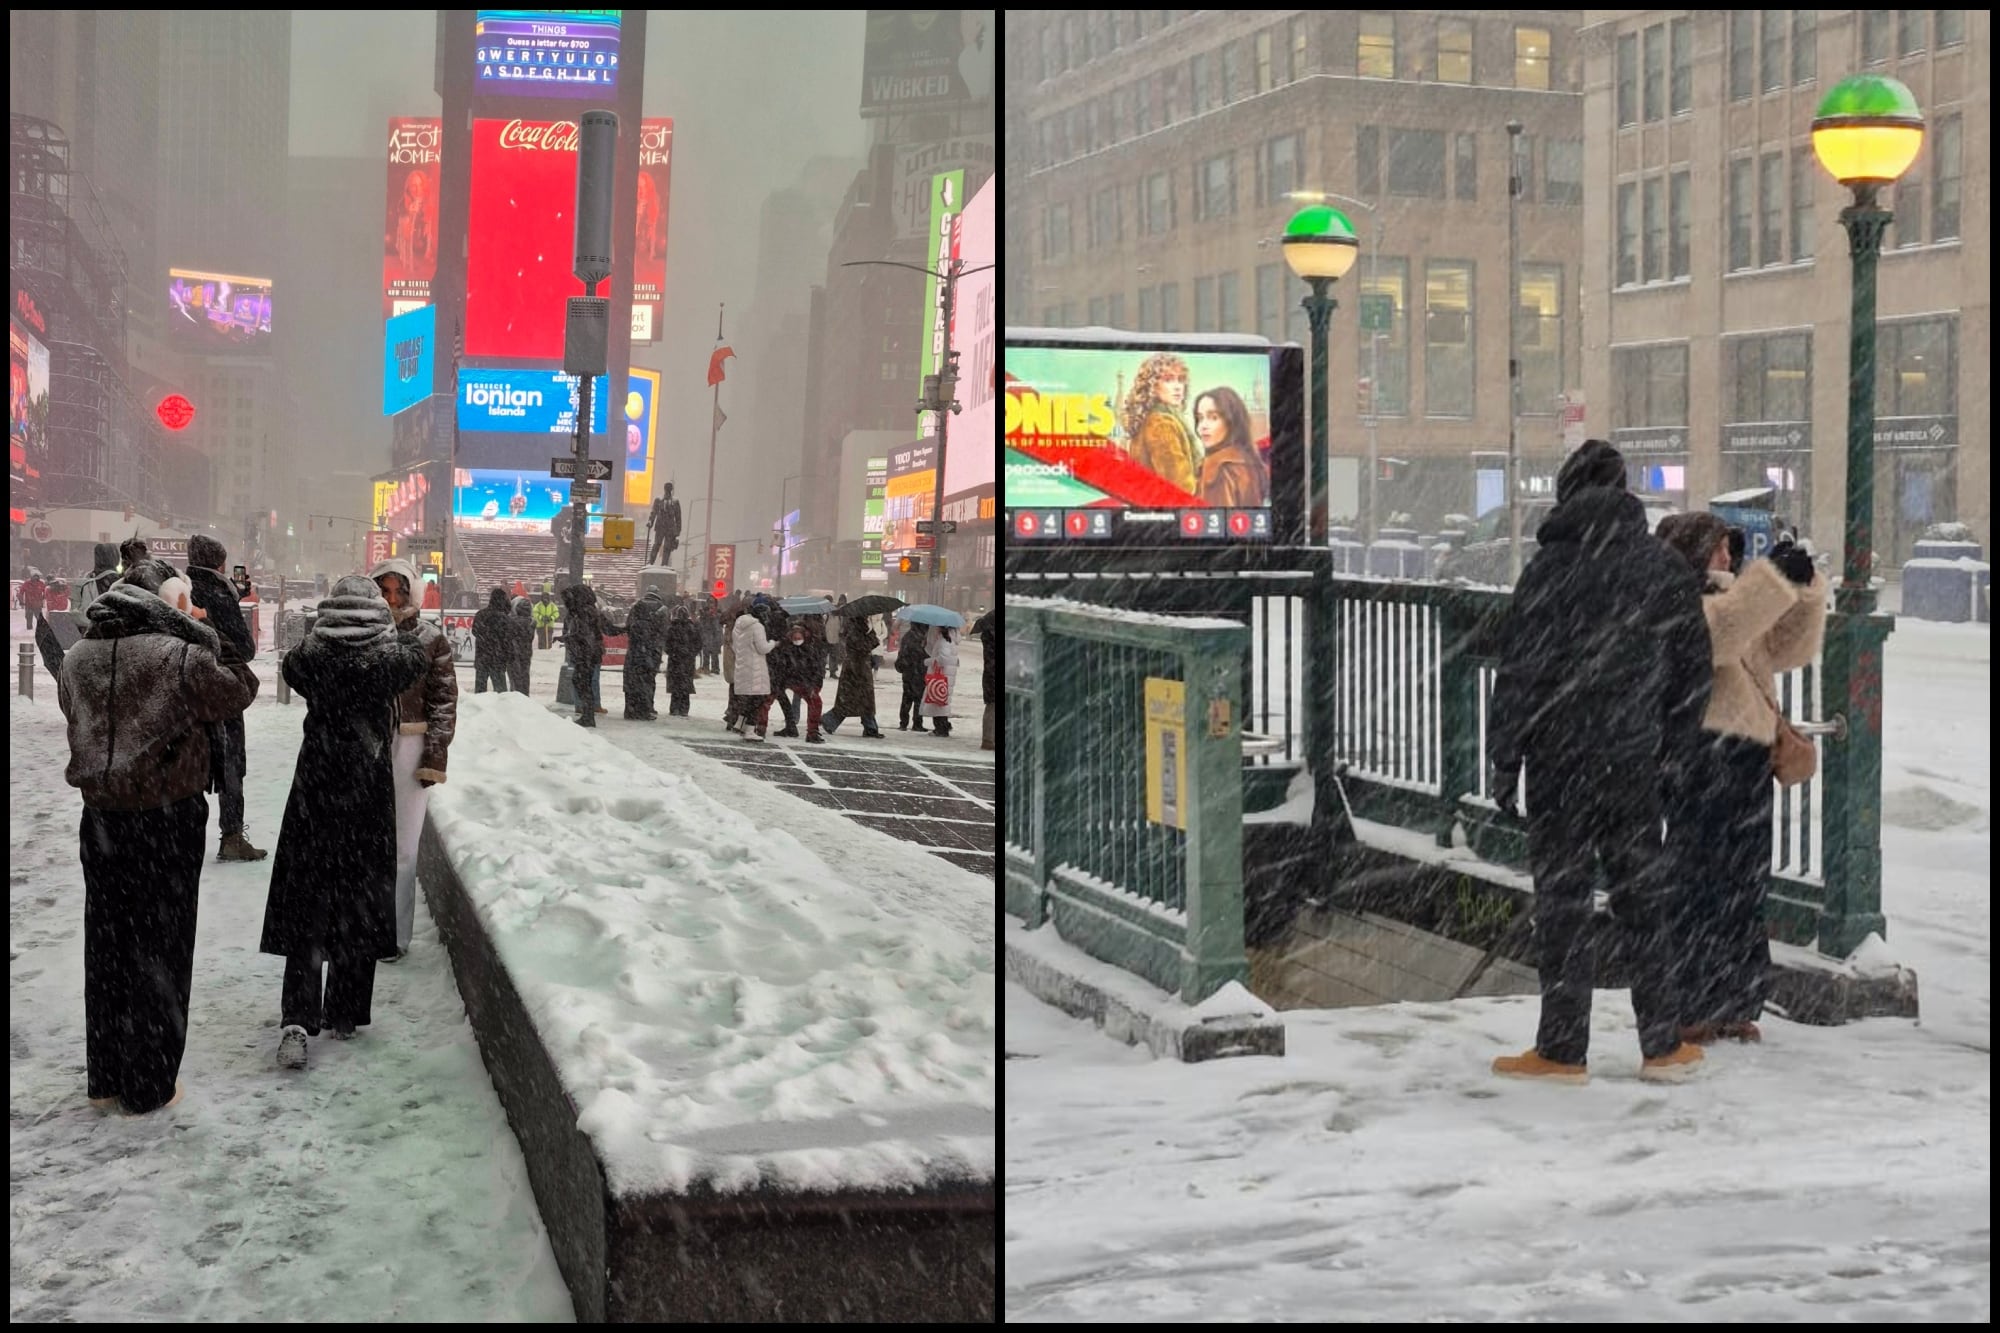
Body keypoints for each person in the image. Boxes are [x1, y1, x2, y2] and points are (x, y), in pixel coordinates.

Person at [1486, 439, 1714, 1086]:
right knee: (1644, 902)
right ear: (1624, 491)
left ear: (1566, 492)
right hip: (1633, 761)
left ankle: (1562, 1049)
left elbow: (1519, 672)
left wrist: (1505, 758)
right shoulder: (1662, 568)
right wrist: (1671, 750)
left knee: (1563, 903)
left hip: (1559, 764)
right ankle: (1662, 1044)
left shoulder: (1548, 568)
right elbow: (1692, 673)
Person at [59, 561, 256, 1114]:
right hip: (165, 818)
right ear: (165, 605)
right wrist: (199, 630)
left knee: (107, 943)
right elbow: (240, 687)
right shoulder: (181, 656)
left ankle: (106, 1077)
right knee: (162, 948)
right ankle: (149, 1084)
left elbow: (75, 716)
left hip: (99, 819)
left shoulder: (78, 659)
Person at [1655, 514, 1828, 1048]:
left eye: (1732, 551)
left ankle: (1734, 1000)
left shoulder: (1737, 599)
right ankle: (1689, 1001)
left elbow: (1790, 648)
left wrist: (1804, 588)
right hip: (1701, 756)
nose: (1728, 559)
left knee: (1743, 886)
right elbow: (1721, 638)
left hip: (1748, 760)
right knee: (1698, 885)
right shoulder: (1677, 603)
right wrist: (1769, 579)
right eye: (1719, 551)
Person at [261, 576, 431, 1069]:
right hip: (366, 792)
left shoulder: (310, 660)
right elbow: (413, 653)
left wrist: (320, 631)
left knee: (309, 899)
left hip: (314, 789)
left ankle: (297, 1015)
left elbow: (293, 661)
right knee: (359, 896)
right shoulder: (390, 661)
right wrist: (385, 627)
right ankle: (345, 1009)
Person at [369, 557, 458, 959]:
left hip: (410, 747)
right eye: (383, 591)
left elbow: (443, 701)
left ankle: (393, 934)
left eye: (398, 591)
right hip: (365, 744)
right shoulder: (365, 634)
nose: (391, 599)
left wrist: (434, 755)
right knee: (365, 842)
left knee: (404, 847)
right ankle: (362, 927)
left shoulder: (430, 638)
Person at [186, 534, 267, 862]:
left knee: (192, 765)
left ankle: (185, 838)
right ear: (219, 564)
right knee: (232, 765)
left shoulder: (180, 588)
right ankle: (231, 836)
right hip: (223, 690)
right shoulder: (220, 592)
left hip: (190, 691)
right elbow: (244, 647)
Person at [1120, 352, 1200, 495]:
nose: (1178, 387)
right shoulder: (1161, 423)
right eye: (1168, 380)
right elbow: (1181, 488)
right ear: (1152, 386)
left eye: (1181, 380)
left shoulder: (1147, 420)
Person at [1194, 386, 1269, 509]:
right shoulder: (1250, 462)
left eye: (1213, 417)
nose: (1202, 426)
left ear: (1231, 421)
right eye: (1200, 418)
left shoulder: (1217, 468)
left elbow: (1216, 524)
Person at [821, 615, 886, 738]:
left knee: (856, 701)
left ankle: (869, 727)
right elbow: (864, 648)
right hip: (857, 670)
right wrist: (871, 637)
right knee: (856, 701)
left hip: (858, 669)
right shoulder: (856, 632)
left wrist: (871, 635)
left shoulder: (859, 631)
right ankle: (868, 727)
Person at [557, 582, 611, 726]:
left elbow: (581, 633)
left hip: (585, 653)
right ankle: (588, 714)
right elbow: (607, 628)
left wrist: (566, 638)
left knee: (582, 682)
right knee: (583, 682)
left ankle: (588, 715)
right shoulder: (591, 611)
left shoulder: (582, 612)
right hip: (590, 652)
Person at [730, 598, 778, 741]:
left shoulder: (739, 624)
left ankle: (739, 723)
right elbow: (762, 648)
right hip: (755, 668)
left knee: (749, 698)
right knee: (757, 699)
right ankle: (750, 730)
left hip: (742, 665)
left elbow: (735, 645)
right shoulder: (757, 627)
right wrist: (773, 643)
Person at [773, 617, 826, 742]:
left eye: (799, 637)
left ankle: (810, 731)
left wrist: (812, 685)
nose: (797, 640)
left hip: (802, 680)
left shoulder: (810, 647)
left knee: (815, 702)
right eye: (794, 638)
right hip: (792, 679)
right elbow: (783, 665)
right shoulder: (787, 647)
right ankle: (797, 727)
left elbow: (814, 667)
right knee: (776, 697)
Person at [623, 587, 670, 720]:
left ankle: (630, 709)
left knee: (632, 679)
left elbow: (628, 626)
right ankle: (646, 708)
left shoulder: (635, 607)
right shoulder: (662, 609)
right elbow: (665, 630)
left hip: (635, 649)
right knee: (648, 680)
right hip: (652, 650)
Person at [920, 624, 960, 738]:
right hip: (946, 676)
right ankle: (943, 726)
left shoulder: (944, 641)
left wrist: (927, 661)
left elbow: (943, 658)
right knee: (940, 701)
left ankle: (941, 729)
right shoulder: (950, 640)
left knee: (937, 702)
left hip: (941, 675)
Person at [472, 586, 513, 694]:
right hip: (497, 659)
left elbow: (475, 632)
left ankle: (479, 708)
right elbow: (507, 640)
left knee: (480, 690)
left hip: (482, 657)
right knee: (501, 691)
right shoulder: (503, 618)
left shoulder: (480, 614)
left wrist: (486, 638)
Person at [663, 602, 700, 716]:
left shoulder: (672, 628)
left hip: (675, 660)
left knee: (675, 685)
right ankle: (684, 709)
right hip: (687, 660)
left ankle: (674, 708)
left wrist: (673, 653)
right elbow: (699, 644)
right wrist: (691, 653)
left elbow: (667, 644)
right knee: (686, 685)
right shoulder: (692, 628)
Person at [895, 616, 931, 732]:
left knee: (907, 697)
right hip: (918, 671)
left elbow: (903, 653)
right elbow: (922, 654)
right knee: (918, 699)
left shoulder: (908, 636)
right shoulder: (920, 639)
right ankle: (917, 723)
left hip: (908, 671)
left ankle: (904, 722)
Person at [72, 542, 123, 614]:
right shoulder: (125, 582)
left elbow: (76, 614)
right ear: (117, 558)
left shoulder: (82, 585)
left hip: (91, 623)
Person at [972, 607, 997, 751]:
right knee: (992, 706)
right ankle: (988, 739)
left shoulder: (987, 635)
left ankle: (988, 738)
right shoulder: (991, 637)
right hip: (992, 673)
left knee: (991, 705)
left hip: (989, 674)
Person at [508, 595, 536, 695]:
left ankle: (516, 695)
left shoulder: (511, 622)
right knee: (525, 675)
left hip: (514, 652)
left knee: (515, 677)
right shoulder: (531, 623)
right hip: (527, 652)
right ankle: (525, 695)